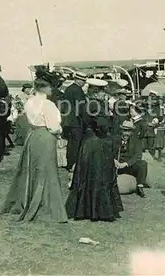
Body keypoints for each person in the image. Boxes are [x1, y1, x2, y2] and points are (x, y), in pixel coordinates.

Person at [1, 78, 68, 222]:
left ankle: (27, 200)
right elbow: (54, 127)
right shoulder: (48, 104)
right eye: (50, 87)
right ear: (44, 88)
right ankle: (46, 206)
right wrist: (60, 131)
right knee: (48, 171)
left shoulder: (29, 102)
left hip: (32, 136)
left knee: (31, 169)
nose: (52, 90)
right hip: (46, 137)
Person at [65, 78, 124, 221]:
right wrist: (110, 119)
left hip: (88, 141)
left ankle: (86, 208)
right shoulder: (95, 105)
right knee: (98, 175)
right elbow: (103, 125)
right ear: (97, 92)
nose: (105, 94)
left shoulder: (87, 103)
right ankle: (98, 211)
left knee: (87, 176)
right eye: (103, 91)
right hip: (97, 143)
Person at [114, 120, 148, 198]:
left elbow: (138, 155)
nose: (126, 133)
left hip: (129, 165)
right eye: (124, 130)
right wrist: (114, 161)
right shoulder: (115, 139)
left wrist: (126, 164)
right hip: (117, 165)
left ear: (132, 132)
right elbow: (109, 152)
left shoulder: (136, 140)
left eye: (129, 131)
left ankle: (140, 186)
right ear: (121, 130)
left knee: (143, 164)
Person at [61, 72, 87, 172]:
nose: (84, 83)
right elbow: (80, 107)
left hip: (68, 120)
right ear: (78, 79)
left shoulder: (69, 88)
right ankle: (74, 164)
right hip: (76, 121)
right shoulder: (77, 90)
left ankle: (69, 163)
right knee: (76, 144)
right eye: (83, 81)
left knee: (71, 143)